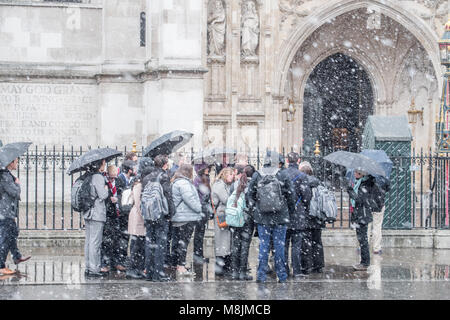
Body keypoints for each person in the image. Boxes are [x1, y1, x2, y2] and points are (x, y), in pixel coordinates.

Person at [247, 151, 296, 283]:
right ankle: (282, 275)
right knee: (279, 247)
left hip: (262, 217)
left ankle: (261, 275)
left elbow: (249, 195)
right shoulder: (283, 175)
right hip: (280, 216)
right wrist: (289, 211)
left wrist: (255, 210)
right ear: (278, 162)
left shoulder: (257, 174)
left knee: (264, 246)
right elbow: (292, 196)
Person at [142, 155, 175, 282]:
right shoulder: (164, 176)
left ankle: (149, 272)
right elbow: (168, 196)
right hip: (160, 214)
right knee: (161, 244)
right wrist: (171, 213)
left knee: (149, 243)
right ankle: (158, 273)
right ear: (165, 165)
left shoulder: (146, 178)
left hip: (149, 214)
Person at [0, 158, 31, 276]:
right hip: (5, 211)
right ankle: (1, 266)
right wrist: (17, 184)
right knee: (5, 238)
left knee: (12, 232)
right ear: (10, 163)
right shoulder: (5, 175)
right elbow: (14, 192)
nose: (17, 163)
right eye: (16, 161)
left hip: (6, 211)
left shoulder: (6, 174)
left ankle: (16, 256)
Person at [347, 170, 382, 271]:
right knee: (361, 239)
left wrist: (351, 192)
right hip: (359, 214)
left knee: (363, 240)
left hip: (363, 215)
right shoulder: (360, 183)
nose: (354, 174)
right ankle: (363, 262)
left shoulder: (365, 184)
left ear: (362, 174)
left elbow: (360, 200)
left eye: (357, 172)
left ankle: (365, 263)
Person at [171, 164, 202, 276]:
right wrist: (199, 208)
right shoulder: (184, 183)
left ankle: (177, 263)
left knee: (179, 241)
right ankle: (181, 265)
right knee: (183, 242)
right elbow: (190, 199)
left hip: (181, 216)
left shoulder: (178, 181)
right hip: (185, 216)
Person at [125, 158, 153, 280]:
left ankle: (138, 268)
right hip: (138, 218)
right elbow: (138, 204)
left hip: (140, 219)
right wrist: (145, 217)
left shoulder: (142, 182)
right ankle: (131, 269)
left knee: (140, 245)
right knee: (136, 245)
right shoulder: (138, 184)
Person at [83, 159, 109, 277]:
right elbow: (103, 195)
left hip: (88, 212)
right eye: (103, 163)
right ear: (100, 165)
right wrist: (106, 190)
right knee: (95, 242)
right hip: (96, 213)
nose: (105, 165)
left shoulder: (89, 176)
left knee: (89, 241)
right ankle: (94, 269)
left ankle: (88, 267)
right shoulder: (98, 177)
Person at [298, 161, 325, 275]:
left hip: (306, 216)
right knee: (317, 241)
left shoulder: (302, 183)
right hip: (318, 216)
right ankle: (318, 265)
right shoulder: (319, 182)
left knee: (305, 242)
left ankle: (306, 266)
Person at [229, 165, 255, 280]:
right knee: (245, 246)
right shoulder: (252, 185)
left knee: (235, 245)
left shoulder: (235, 184)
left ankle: (235, 271)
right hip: (247, 218)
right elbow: (253, 203)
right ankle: (243, 272)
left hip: (235, 217)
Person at [284, 152, 307, 277]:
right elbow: (307, 196)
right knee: (296, 246)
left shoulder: (281, 175)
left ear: (287, 160)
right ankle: (297, 271)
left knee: (284, 245)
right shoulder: (302, 176)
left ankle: (285, 271)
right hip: (298, 214)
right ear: (298, 160)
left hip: (284, 214)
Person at [101, 165, 127, 272]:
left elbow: (123, 194)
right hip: (108, 214)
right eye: (111, 177)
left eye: (114, 177)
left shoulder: (119, 181)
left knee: (118, 240)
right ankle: (105, 263)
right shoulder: (104, 182)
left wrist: (118, 199)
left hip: (118, 214)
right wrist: (108, 198)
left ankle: (117, 262)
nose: (113, 179)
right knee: (107, 241)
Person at [211, 167, 235, 277]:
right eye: (230, 174)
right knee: (221, 241)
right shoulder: (219, 185)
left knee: (226, 241)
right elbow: (227, 199)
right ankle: (219, 266)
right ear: (224, 175)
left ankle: (224, 265)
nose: (233, 176)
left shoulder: (225, 185)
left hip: (225, 214)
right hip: (222, 215)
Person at [193, 163, 213, 265]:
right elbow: (198, 195)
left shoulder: (206, 179)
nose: (208, 169)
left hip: (204, 209)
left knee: (201, 233)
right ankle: (197, 256)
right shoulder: (198, 180)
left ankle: (199, 255)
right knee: (199, 234)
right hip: (201, 209)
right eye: (206, 168)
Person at [369, 178, 390, 255]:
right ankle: (376, 248)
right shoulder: (383, 177)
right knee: (377, 227)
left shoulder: (368, 176)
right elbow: (388, 188)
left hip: (368, 205)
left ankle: (363, 246)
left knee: (366, 226)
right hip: (379, 204)